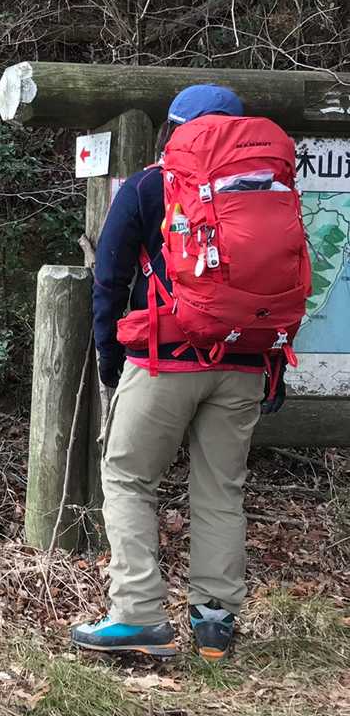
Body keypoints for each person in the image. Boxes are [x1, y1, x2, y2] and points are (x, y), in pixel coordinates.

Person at [72, 84, 289, 661]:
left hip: (165, 357)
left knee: (127, 477)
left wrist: (110, 361)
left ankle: (138, 615)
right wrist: (272, 364)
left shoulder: (150, 184)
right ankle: (215, 622)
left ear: (173, 128)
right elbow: (283, 286)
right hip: (245, 360)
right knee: (221, 489)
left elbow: (109, 280)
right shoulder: (270, 189)